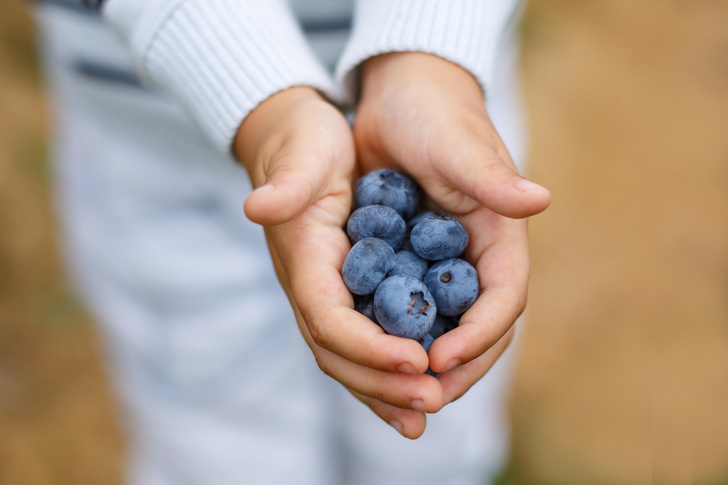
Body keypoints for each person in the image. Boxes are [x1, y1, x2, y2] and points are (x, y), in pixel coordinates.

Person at [34, 0, 550, 483]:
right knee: (222, 444)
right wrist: (262, 96)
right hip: (158, 158)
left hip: (442, 113)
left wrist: (426, 52)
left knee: (422, 443)